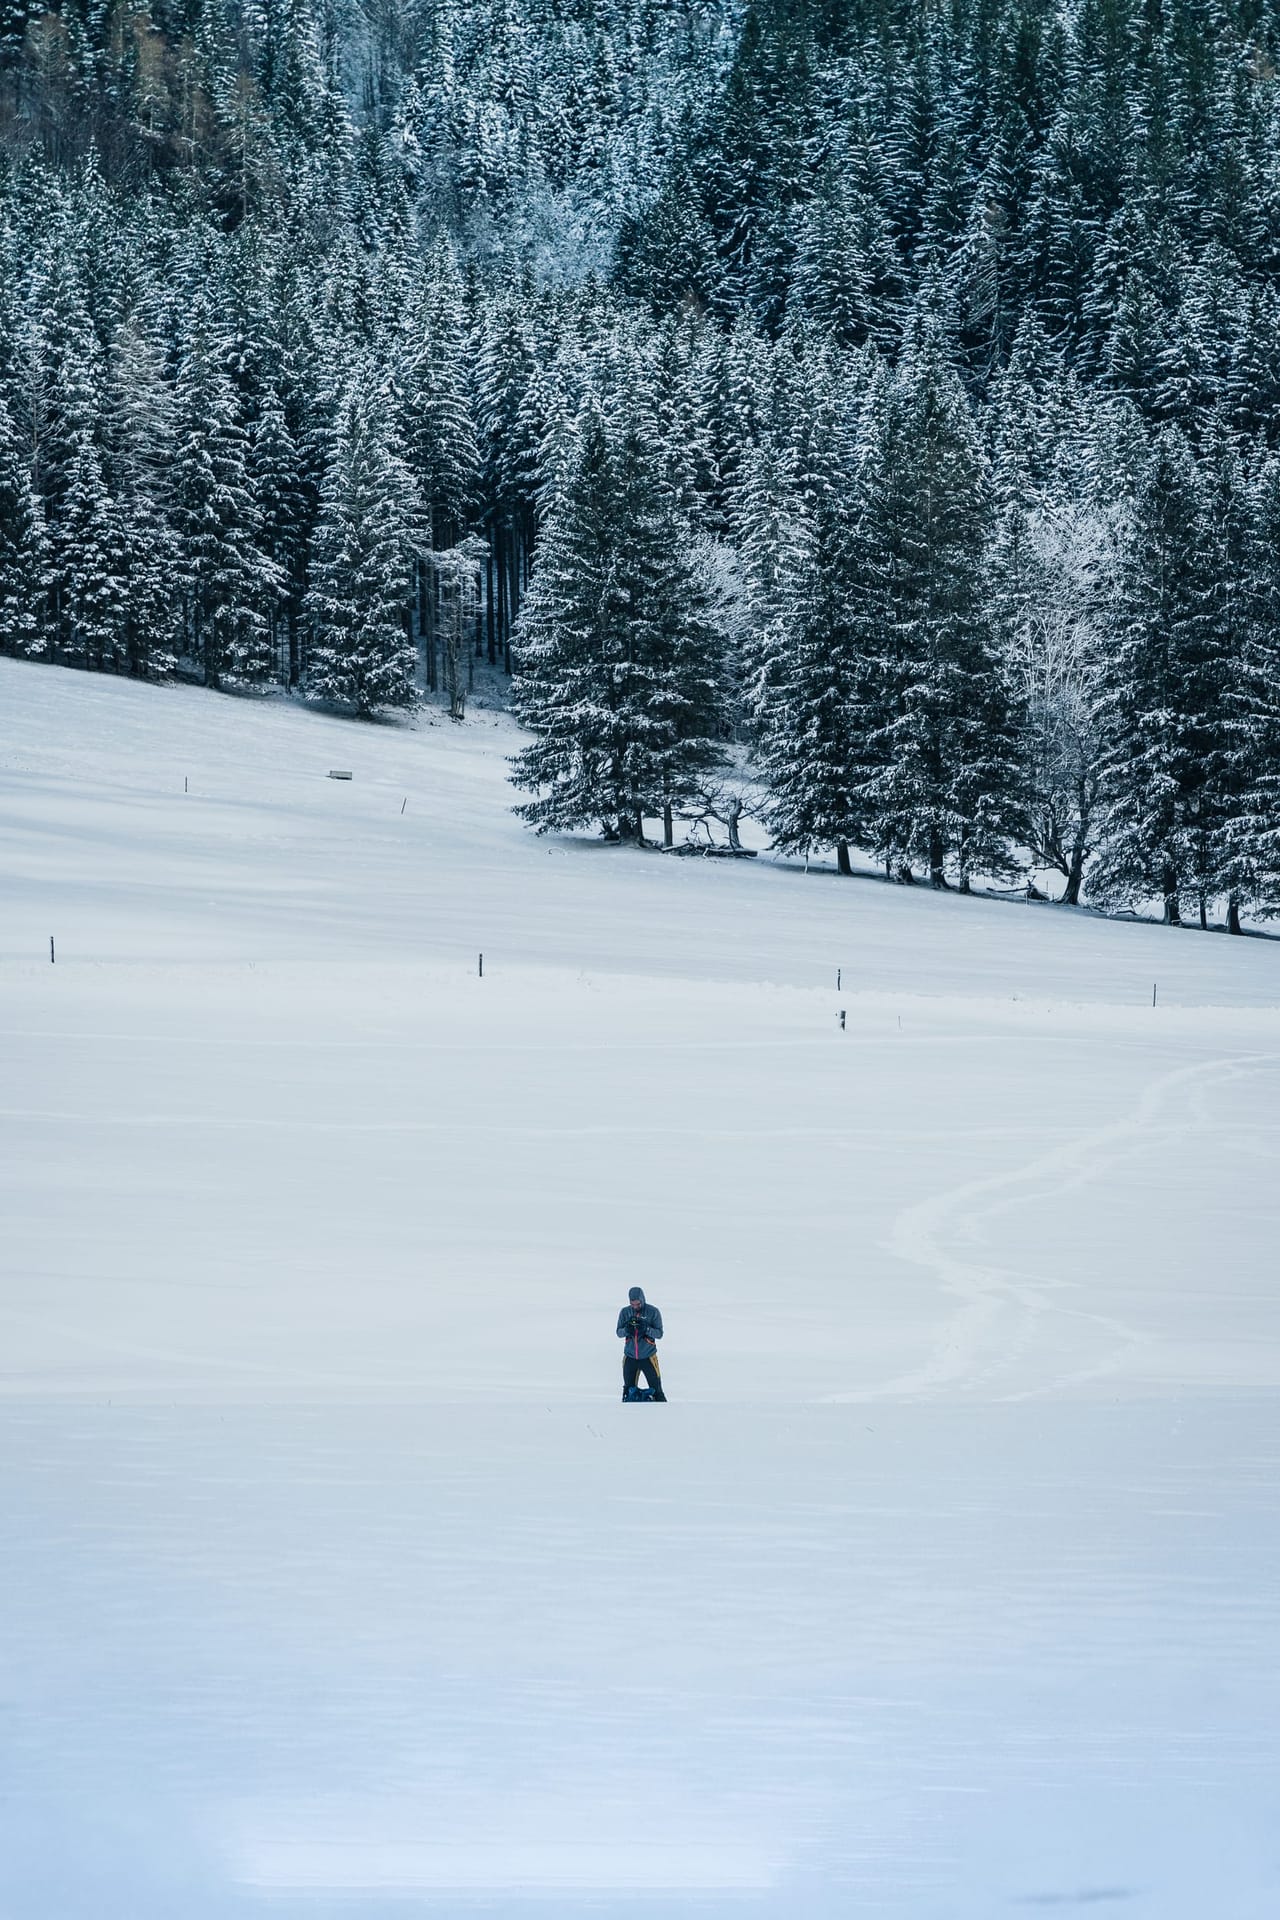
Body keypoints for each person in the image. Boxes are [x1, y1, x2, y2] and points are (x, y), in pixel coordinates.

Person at [616, 1286, 666, 1401]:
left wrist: (646, 1329)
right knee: (628, 1392)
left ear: (642, 1300)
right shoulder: (625, 1312)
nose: (635, 1307)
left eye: (638, 1304)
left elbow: (659, 1334)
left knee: (657, 1391)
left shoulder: (653, 1312)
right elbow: (618, 1332)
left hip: (648, 1357)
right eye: (632, 1304)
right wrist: (627, 1330)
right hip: (630, 1357)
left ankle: (663, 1409)